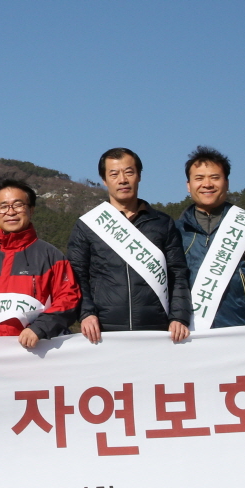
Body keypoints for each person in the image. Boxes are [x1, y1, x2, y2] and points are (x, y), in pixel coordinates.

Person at [70, 147, 191, 344]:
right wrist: (86, 313)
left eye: (129, 172)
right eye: (114, 174)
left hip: (157, 331)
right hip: (103, 333)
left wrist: (179, 317)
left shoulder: (162, 222)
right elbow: (77, 275)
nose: (123, 180)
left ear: (139, 176)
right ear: (104, 180)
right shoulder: (88, 225)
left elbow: (178, 273)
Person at [177, 147, 245, 333]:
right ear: (188, 185)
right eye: (199, 178)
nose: (207, 184)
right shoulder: (175, 230)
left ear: (227, 183)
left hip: (242, 330)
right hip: (190, 334)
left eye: (215, 177)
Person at [0, 180, 81, 348]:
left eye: (18, 205)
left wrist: (40, 328)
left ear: (31, 210)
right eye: (3, 206)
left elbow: (68, 298)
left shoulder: (51, 256)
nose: (10, 212)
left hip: (34, 353)